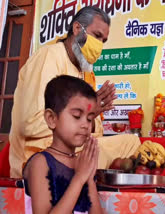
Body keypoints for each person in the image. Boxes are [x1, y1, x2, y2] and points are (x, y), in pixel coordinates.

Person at [9, 6, 140, 178]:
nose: (99, 45)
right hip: (40, 154)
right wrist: (81, 116)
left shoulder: (86, 73)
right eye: (97, 36)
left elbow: (95, 132)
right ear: (77, 28)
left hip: (73, 147)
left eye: (104, 41)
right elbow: (30, 125)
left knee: (131, 143)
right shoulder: (49, 57)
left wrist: (92, 116)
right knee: (97, 154)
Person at [23, 75, 103, 213]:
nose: (85, 125)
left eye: (90, 119)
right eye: (77, 116)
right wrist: (79, 178)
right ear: (51, 119)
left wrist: (89, 179)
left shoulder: (82, 163)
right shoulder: (41, 163)